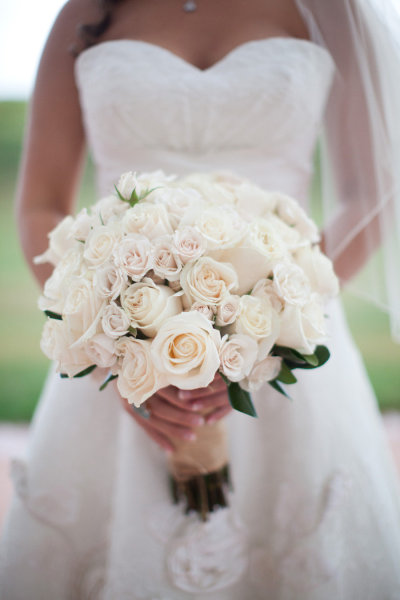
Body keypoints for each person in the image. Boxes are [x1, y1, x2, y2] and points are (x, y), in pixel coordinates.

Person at [1, 0, 400, 598]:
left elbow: (370, 193)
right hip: (118, 331)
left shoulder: (330, 9)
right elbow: (41, 204)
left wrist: (270, 321)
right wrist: (114, 354)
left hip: (289, 335)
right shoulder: (86, 12)